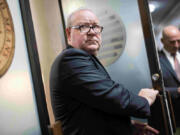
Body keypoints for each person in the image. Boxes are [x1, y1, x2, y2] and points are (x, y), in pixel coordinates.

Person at [50, 8, 159, 135]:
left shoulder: (83, 60)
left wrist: (131, 127)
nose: (92, 32)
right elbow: (112, 96)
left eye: (95, 26)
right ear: (69, 34)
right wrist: (144, 100)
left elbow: (97, 108)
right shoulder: (70, 59)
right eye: (83, 26)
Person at [158, 25, 180, 134]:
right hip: (172, 117)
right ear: (162, 41)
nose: (176, 45)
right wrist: (176, 91)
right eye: (172, 42)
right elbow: (155, 88)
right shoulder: (156, 60)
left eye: (179, 41)